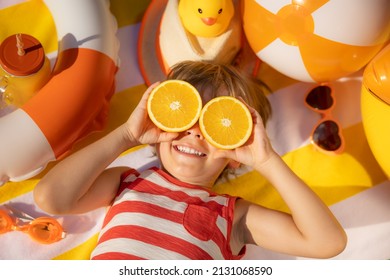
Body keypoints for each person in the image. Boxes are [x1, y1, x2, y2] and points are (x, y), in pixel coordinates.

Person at [34, 61, 347, 260]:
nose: (196, 132)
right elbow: (51, 197)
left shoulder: (232, 216)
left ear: (238, 152)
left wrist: (266, 161)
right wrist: (126, 135)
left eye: (218, 125)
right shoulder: (125, 182)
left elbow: (327, 243)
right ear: (159, 118)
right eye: (185, 115)